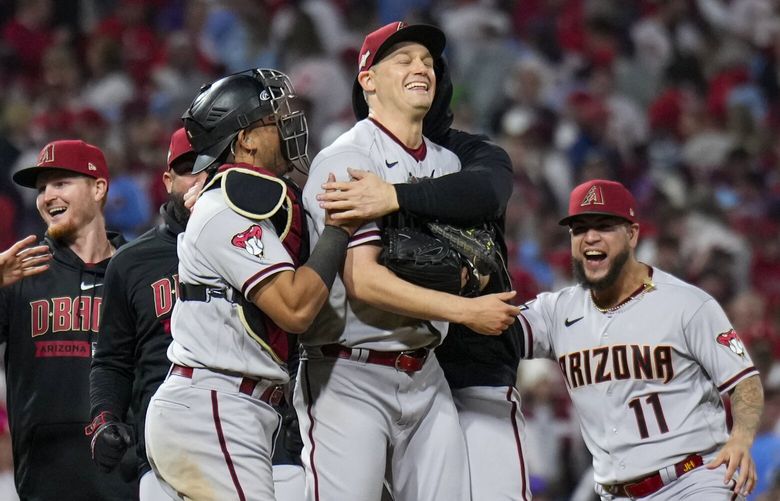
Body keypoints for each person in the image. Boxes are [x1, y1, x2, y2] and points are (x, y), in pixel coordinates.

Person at [296, 22, 520, 501]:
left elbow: (474, 264)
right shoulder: (347, 159)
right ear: (368, 79)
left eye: (426, 60)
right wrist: (466, 311)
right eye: (403, 59)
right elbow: (363, 280)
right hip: (350, 373)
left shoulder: (450, 165)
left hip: (425, 371)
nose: (420, 67)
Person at [144, 68, 357, 501]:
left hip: (223, 405)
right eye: (271, 118)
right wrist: (338, 230)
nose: (285, 124)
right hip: (213, 407)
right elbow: (295, 308)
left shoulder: (239, 201)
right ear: (245, 139)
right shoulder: (224, 208)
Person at [515, 179, 764, 500]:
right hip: (616, 493)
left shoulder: (688, 304)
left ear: (632, 234)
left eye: (604, 226)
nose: (590, 237)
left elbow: (745, 381)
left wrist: (740, 438)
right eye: (579, 229)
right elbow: (496, 332)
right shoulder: (555, 311)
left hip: (693, 481)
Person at [0, 140, 136, 500]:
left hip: (129, 477)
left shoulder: (135, 271)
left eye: (60, 183)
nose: (46, 196)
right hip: (46, 480)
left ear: (98, 187)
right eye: (42, 188)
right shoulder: (20, 272)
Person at [85, 128, 205, 500]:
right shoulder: (133, 262)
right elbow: (111, 360)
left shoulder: (257, 243)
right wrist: (105, 418)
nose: (201, 179)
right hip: (163, 446)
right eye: (189, 169)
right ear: (168, 180)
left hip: (252, 435)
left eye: (212, 166)